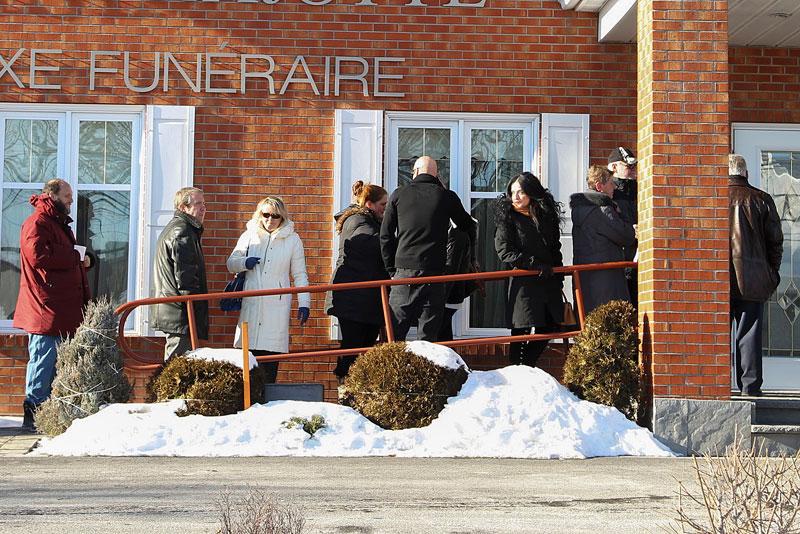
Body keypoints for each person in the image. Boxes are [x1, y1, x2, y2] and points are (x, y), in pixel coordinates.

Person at [14, 179, 92, 430]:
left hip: (59, 307)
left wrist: (83, 259)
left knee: (54, 362)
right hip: (45, 308)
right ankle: (33, 414)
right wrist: (75, 256)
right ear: (53, 195)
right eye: (67, 195)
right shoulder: (38, 223)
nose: (71, 199)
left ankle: (48, 414)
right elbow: (37, 256)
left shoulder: (56, 223)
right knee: (43, 361)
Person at [380, 155, 477, 341]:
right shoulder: (446, 196)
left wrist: (391, 268)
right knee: (428, 338)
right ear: (437, 174)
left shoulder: (399, 194)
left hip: (404, 272)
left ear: (415, 172)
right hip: (434, 273)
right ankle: (424, 369)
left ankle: (394, 369)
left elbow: (385, 235)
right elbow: (467, 224)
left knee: (394, 334)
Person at [227, 196, 310, 384]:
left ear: (282, 217)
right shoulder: (249, 235)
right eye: (266, 215)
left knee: (270, 363)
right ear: (259, 214)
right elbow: (231, 263)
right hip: (252, 304)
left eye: (275, 216)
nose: (270, 220)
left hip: (276, 307)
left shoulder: (293, 239)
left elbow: (300, 274)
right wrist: (243, 263)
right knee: (247, 364)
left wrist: (304, 303)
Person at [494, 172, 564, 368]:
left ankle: (527, 366)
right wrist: (533, 264)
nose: (516, 197)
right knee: (521, 331)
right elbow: (505, 251)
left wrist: (559, 276)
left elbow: (554, 248)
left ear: (532, 193)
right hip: (522, 283)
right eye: (513, 192)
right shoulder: (507, 218)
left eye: (521, 192)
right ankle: (518, 371)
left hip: (548, 282)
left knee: (551, 326)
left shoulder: (546, 217)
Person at [729, 154, 783, 397]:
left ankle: (716, 387)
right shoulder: (762, 199)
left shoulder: (713, 198)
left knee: (714, 333)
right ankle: (750, 387)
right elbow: (775, 242)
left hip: (718, 277)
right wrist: (772, 273)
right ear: (746, 173)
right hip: (753, 278)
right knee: (749, 334)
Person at [326, 181, 390, 381]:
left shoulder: (362, 220)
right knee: (354, 346)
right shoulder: (359, 222)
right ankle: (345, 384)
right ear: (369, 204)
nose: (385, 210)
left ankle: (349, 384)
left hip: (359, 298)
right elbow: (371, 245)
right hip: (355, 298)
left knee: (360, 345)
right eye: (383, 205)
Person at [570, 165, 636, 315]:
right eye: (611, 183)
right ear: (600, 186)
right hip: (607, 277)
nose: (614, 187)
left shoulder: (580, 209)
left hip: (587, 275)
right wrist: (623, 217)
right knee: (612, 322)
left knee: (590, 321)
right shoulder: (601, 208)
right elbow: (625, 236)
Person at [152, 187, 209, 361]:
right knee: (176, 369)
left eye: (204, 204)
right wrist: (193, 311)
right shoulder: (181, 231)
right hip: (180, 312)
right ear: (183, 208)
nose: (203, 208)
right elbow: (185, 278)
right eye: (198, 204)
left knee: (178, 365)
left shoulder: (181, 229)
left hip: (176, 310)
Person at [608, 146, 638, 307]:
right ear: (614, 167)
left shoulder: (640, 190)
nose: (633, 170)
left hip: (639, 257)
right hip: (621, 259)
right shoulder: (610, 194)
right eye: (628, 166)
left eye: (635, 166)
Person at [437, 223, 478, 342]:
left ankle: (446, 359)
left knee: (439, 331)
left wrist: (439, 296)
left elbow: (451, 267)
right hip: (451, 292)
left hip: (448, 292)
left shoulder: (454, 231)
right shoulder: (455, 229)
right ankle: (448, 359)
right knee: (443, 331)